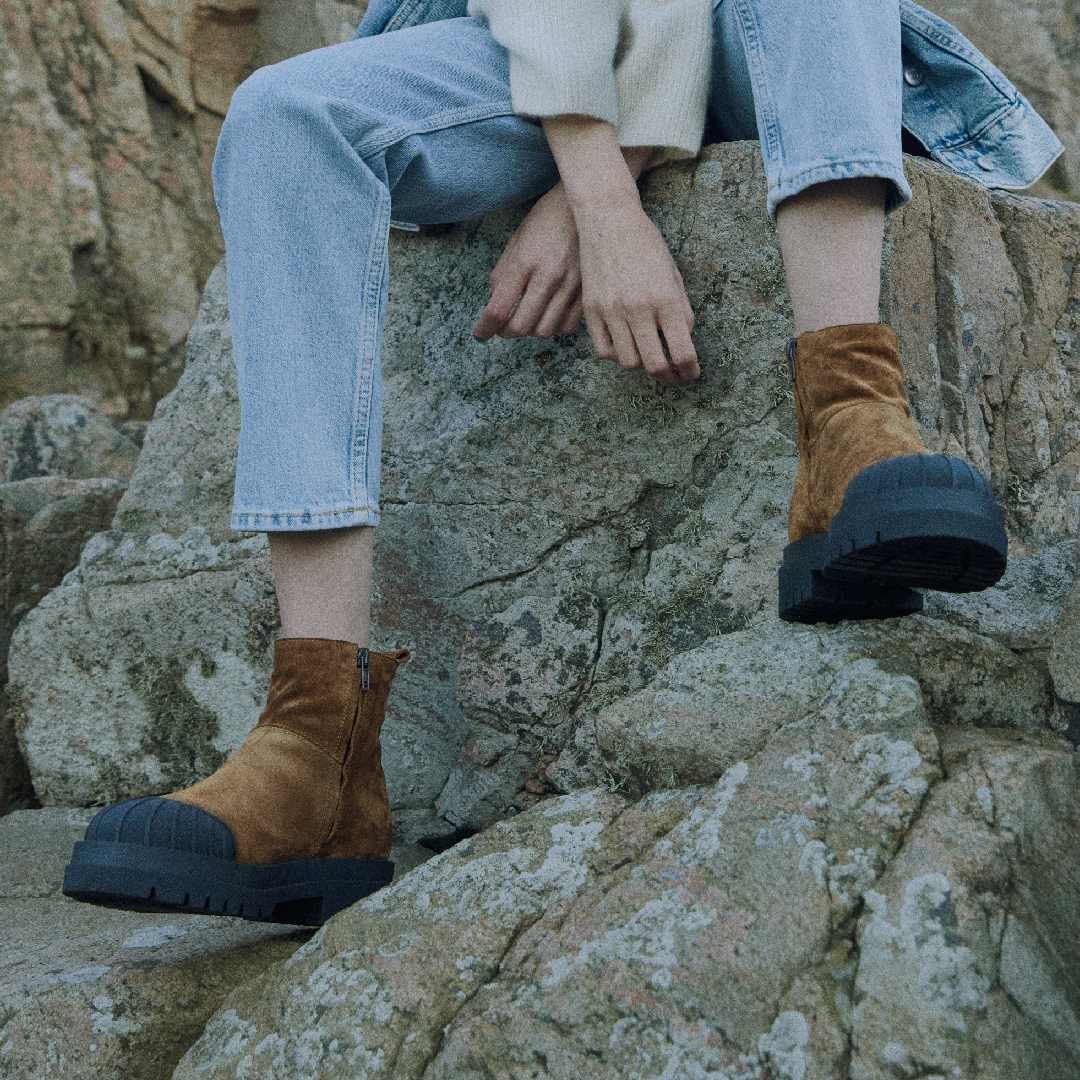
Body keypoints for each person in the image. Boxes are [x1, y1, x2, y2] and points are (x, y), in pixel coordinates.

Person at [62, 0, 1064, 925]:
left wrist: (603, 180)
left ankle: (850, 424)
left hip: (762, 35)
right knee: (285, 116)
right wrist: (598, 192)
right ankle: (313, 743)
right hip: (535, 42)